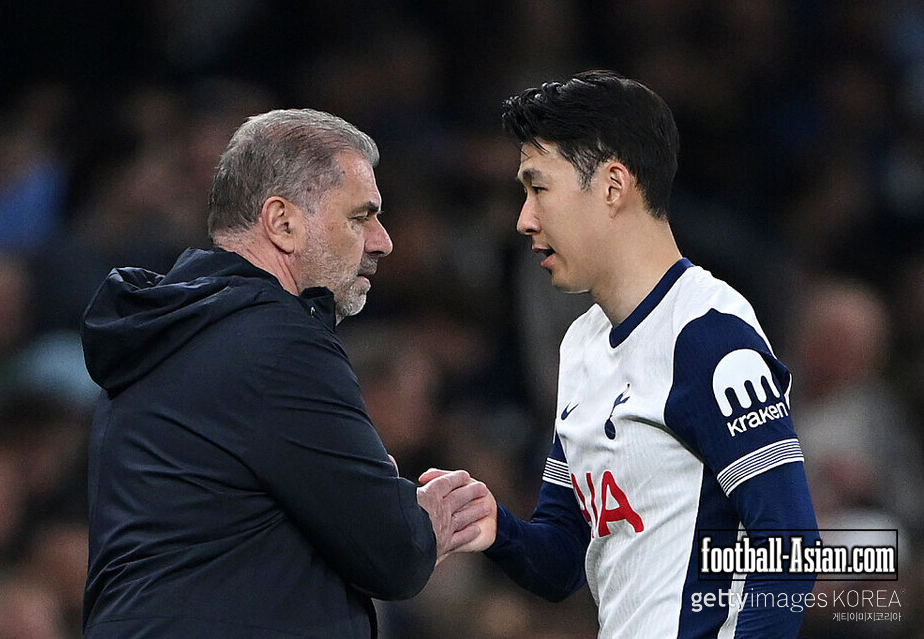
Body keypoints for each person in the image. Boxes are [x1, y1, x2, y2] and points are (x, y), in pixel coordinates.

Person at [424, 71, 820, 637]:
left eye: (538, 187)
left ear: (613, 186)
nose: (523, 218)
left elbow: (791, 543)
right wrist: (495, 528)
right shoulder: (580, 344)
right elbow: (564, 558)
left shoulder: (707, 335)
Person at [80, 109, 490, 638]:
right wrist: (424, 517)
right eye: (360, 217)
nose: (382, 241)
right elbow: (394, 550)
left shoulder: (163, 336)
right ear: (283, 222)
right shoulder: (280, 340)